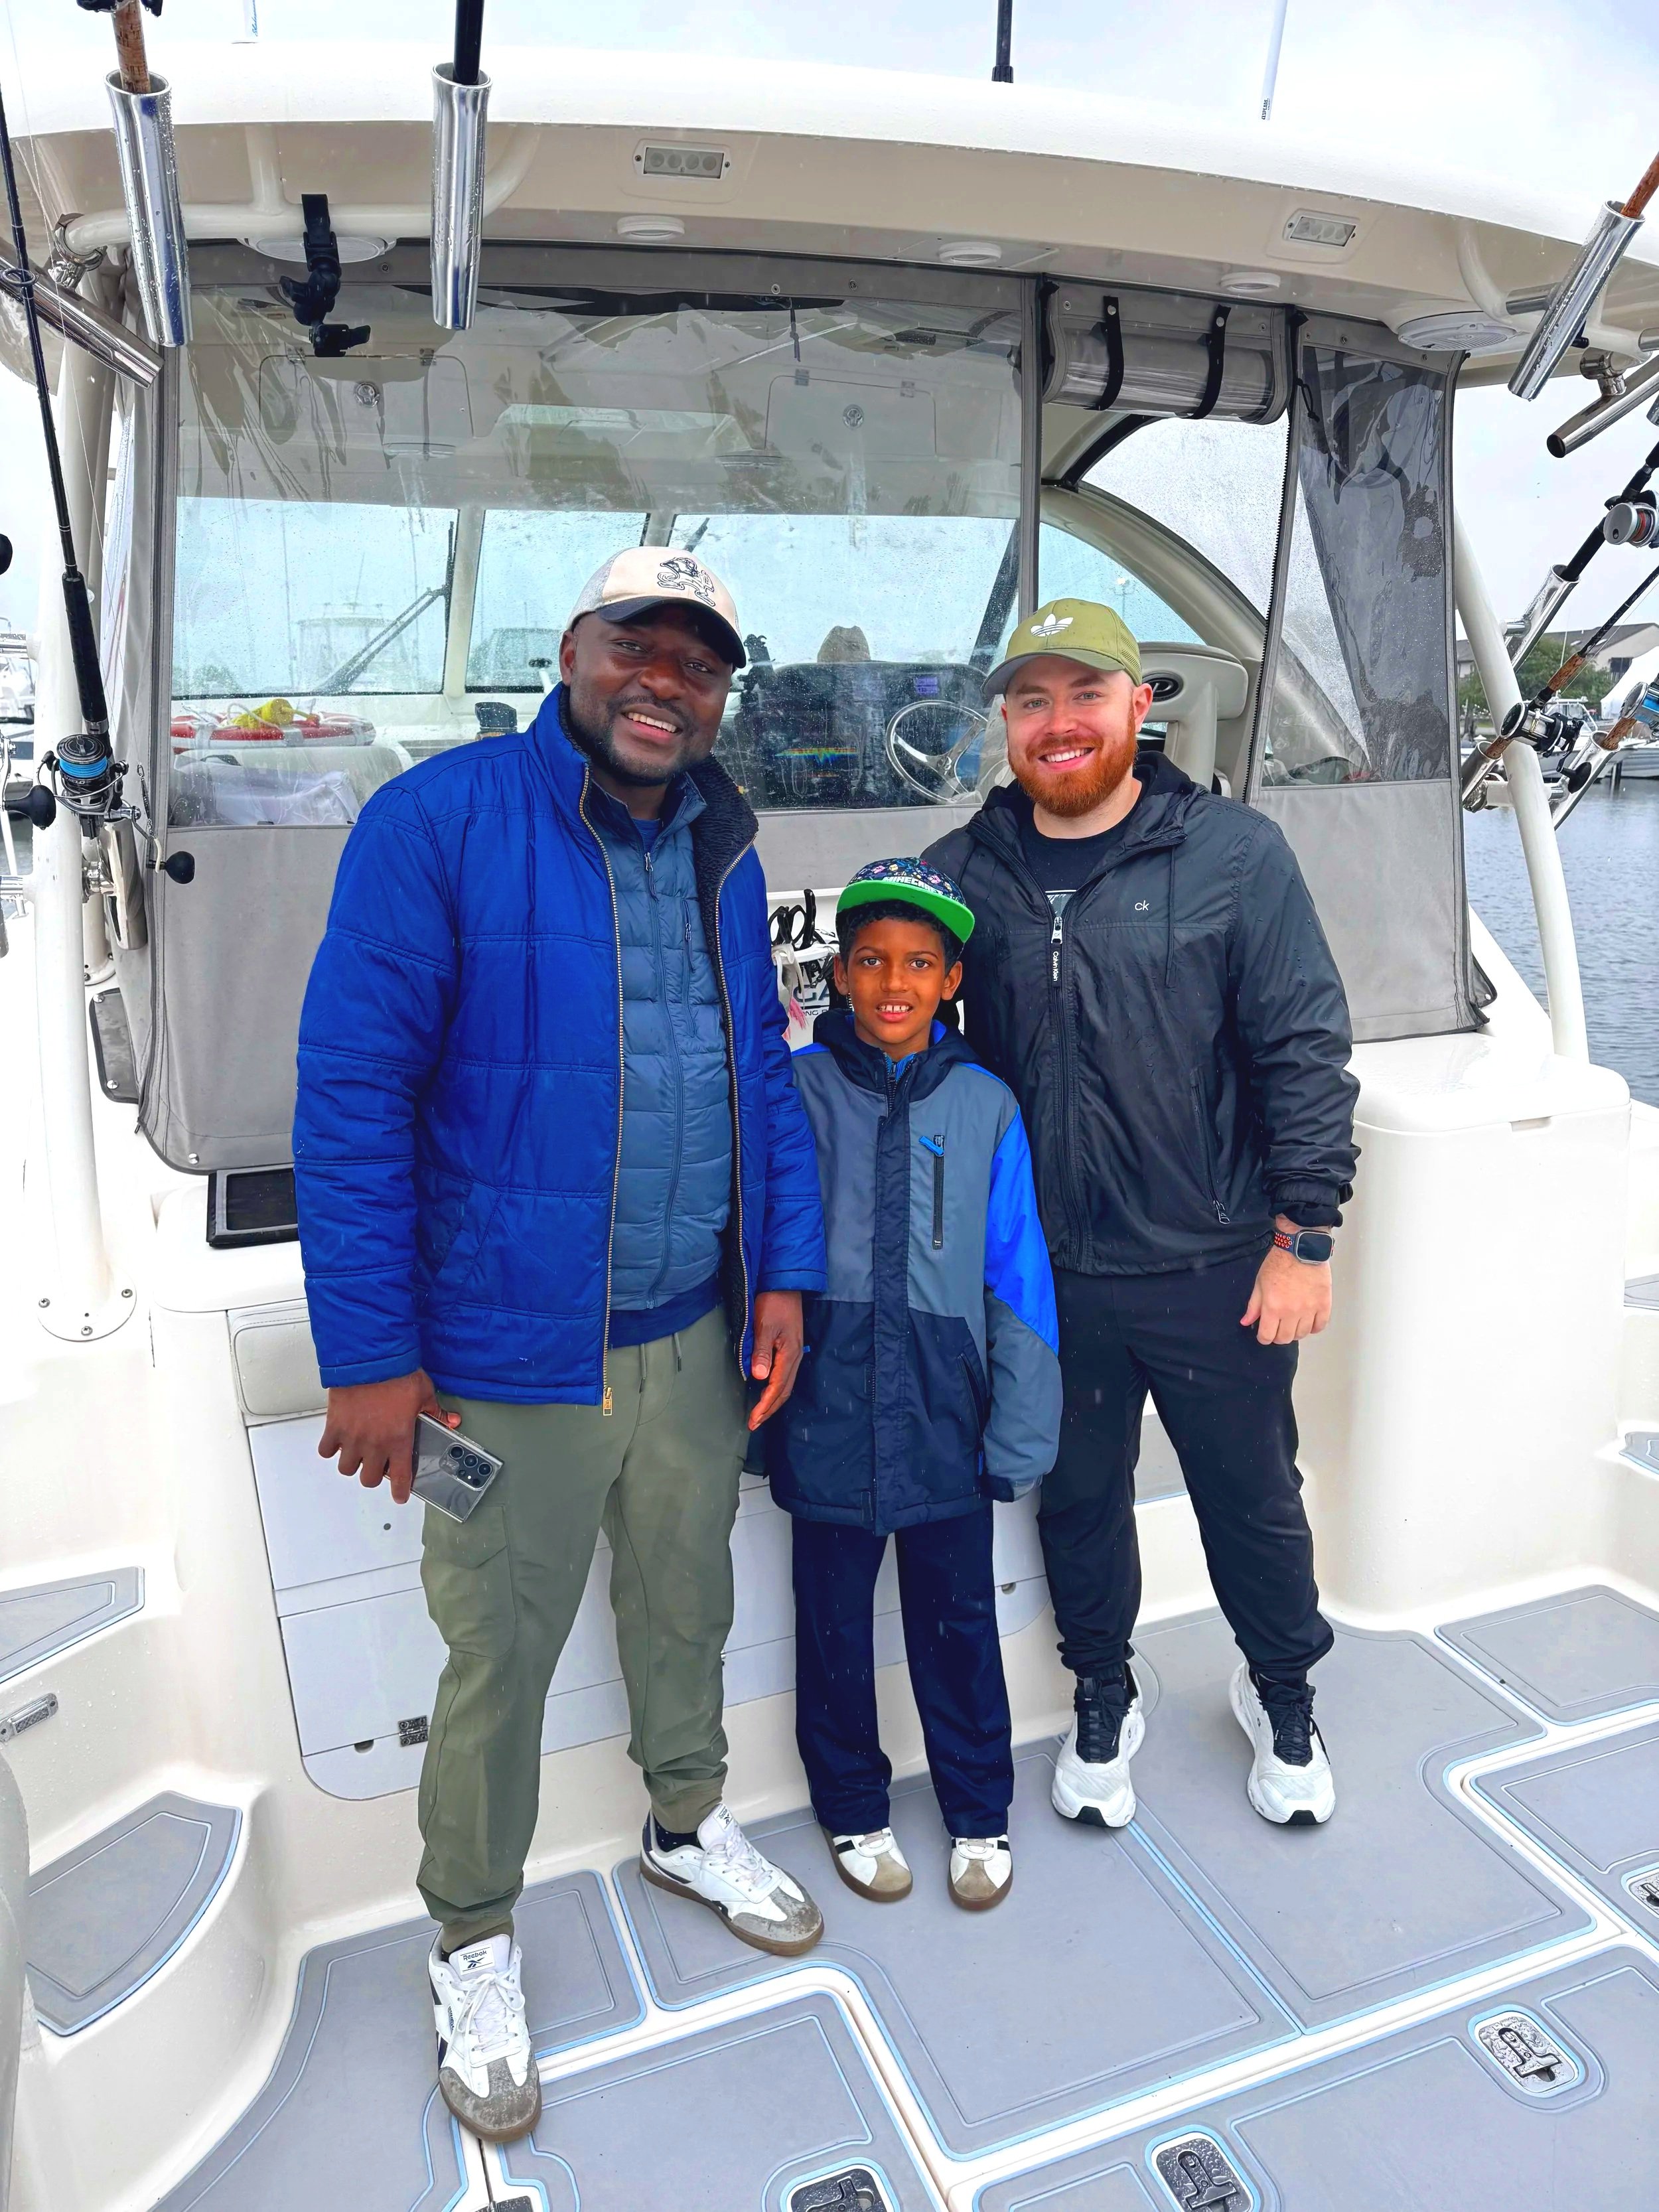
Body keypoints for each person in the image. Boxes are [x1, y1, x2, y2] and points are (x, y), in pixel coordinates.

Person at [293, 548, 828, 2144]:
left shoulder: (725, 844)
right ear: (573, 653)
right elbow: (350, 1097)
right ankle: (469, 1933)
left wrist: (781, 1273)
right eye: (635, 646)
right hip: (498, 1366)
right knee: (494, 1664)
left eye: (699, 661)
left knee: (689, 1600)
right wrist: (371, 1353)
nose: (665, 682)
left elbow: (762, 1076)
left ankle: (683, 1821)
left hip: (691, 1334)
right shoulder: (435, 821)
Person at [926, 599, 1359, 1836]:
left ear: (1138, 706)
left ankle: (1284, 1690)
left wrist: (1304, 1235)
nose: (1057, 725)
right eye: (1030, 702)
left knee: (1253, 1495)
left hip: (1216, 1262)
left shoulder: (1235, 855)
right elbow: (889, 1023)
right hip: (1051, 1276)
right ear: (1006, 724)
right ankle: (1103, 1690)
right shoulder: (966, 873)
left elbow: (1303, 1050)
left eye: (1083, 696)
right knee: (1076, 1500)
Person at [768, 858, 1061, 1912]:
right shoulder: (795, 1089)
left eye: (921, 963)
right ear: (841, 973)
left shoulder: (985, 1104)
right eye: (874, 959)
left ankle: (979, 1807)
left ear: (949, 982)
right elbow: (760, 1255)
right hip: (826, 1412)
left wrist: (1021, 1427)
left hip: (946, 1418)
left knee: (957, 1620)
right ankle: (853, 1803)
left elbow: (1017, 1274)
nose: (895, 980)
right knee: (832, 1625)